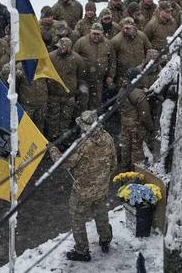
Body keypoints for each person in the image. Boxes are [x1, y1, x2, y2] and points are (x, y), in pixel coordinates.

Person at [49, 110, 117, 262]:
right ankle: (105, 238)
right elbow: (113, 164)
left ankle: (82, 251)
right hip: (102, 186)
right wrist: (101, 178)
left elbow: (64, 163)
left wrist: (52, 149)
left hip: (83, 191)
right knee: (100, 212)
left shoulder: (82, 144)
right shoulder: (108, 137)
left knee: (77, 217)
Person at [48, 37, 86, 139]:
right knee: (53, 119)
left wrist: (78, 91)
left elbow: (81, 77)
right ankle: (53, 139)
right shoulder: (50, 56)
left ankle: (63, 139)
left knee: (66, 119)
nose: (60, 49)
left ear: (69, 48)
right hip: (54, 94)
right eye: (59, 47)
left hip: (69, 96)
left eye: (63, 48)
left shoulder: (77, 59)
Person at [73, 22, 116, 110]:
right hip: (84, 79)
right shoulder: (81, 42)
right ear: (90, 32)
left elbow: (112, 60)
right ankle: (81, 119)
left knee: (96, 101)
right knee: (83, 100)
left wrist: (110, 75)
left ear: (102, 34)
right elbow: (73, 58)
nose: (96, 36)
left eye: (98, 34)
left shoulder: (108, 43)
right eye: (94, 34)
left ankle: (93, 120)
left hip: (99, 79)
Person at [119, 69, 153, 170]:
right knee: (137, 150)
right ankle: (135, 173)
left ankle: (124, 171)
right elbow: (145, 114)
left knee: (125, 147)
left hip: (125, 124)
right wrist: (150, 127)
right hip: (136, 126)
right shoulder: (139, 93)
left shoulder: (122, 90)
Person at [109, 17, 152, 84]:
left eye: (129, 28)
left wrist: (145, 64)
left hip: (141, 72)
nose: (126, 30)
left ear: (134, 27)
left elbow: (149, 50)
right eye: (125, 28)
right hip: (124, 76)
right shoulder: (116, 41)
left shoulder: (142, 36)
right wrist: (112, 76)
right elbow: (112, 60)